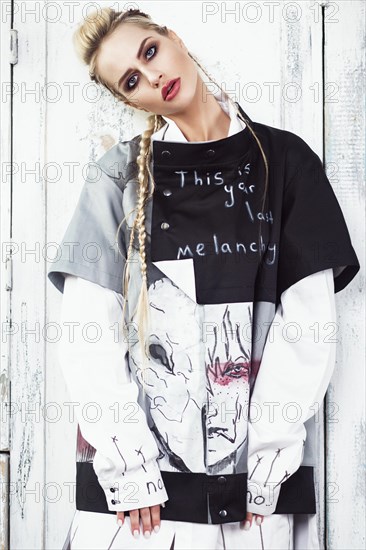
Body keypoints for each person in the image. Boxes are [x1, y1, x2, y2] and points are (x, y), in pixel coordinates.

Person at [47, 7, 360, 550]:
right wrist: (129, 465)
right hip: (136, 514)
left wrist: (265, 462)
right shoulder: (115, 179)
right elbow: (87, 333)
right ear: (130, 101)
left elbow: (308, 327)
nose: (153, 77)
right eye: (131, 81)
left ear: (173, 38)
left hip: (252, 513)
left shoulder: (287, 163)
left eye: (149, 52)